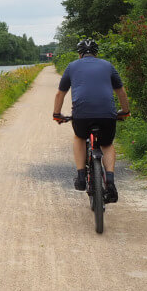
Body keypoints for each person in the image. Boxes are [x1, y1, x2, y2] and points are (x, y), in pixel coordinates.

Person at [52, 38, 130, 203]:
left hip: (82, 114)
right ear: (96, 53)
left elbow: (60, 94)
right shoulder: (108, 65)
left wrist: (57, 114)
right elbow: (121, 92)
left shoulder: (72, 66)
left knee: (80, 137)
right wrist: (125, 111)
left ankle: (81, 176)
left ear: (80, 54)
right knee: (107, 144)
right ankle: (109, 180)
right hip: (107, 114)